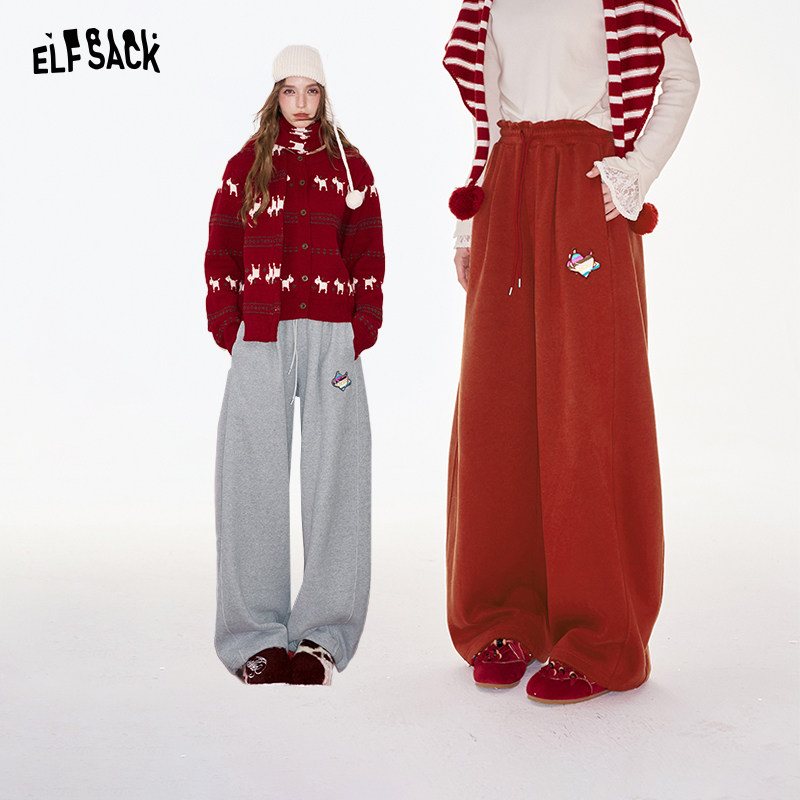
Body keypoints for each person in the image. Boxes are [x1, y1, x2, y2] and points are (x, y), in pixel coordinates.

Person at [444, 0, 700, 703]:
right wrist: (469, 226)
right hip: (507, 194)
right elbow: (488, 120)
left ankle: (599, 636)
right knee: (497, 409)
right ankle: (504, 616)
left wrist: (635, 172)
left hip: (588, 195)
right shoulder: (487, 2)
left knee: (586, 406)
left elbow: (682, 78)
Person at [204, 45, 384, 685]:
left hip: (333, 334)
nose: (301, 103)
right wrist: (228, 323)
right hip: (260, 333)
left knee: (338, 476)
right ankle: (254, 638)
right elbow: (222, 246)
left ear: (324, 96)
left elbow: (367, 247)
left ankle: (321, 639)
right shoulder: (245, 165)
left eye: (312, 91)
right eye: (290, 90)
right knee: (251, 476)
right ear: (274, 96)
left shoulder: (349, 166)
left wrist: (362, 324)